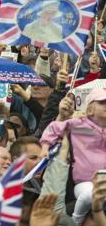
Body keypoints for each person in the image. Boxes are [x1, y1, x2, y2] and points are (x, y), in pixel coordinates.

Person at [40, 86, 106, 224]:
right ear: (90, 108)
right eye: (102, 102)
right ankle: (76, 220)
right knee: (90, 195)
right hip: (84, 183)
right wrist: (45, 146)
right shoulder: (79, 124)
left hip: (103, 183)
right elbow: (54, 128)